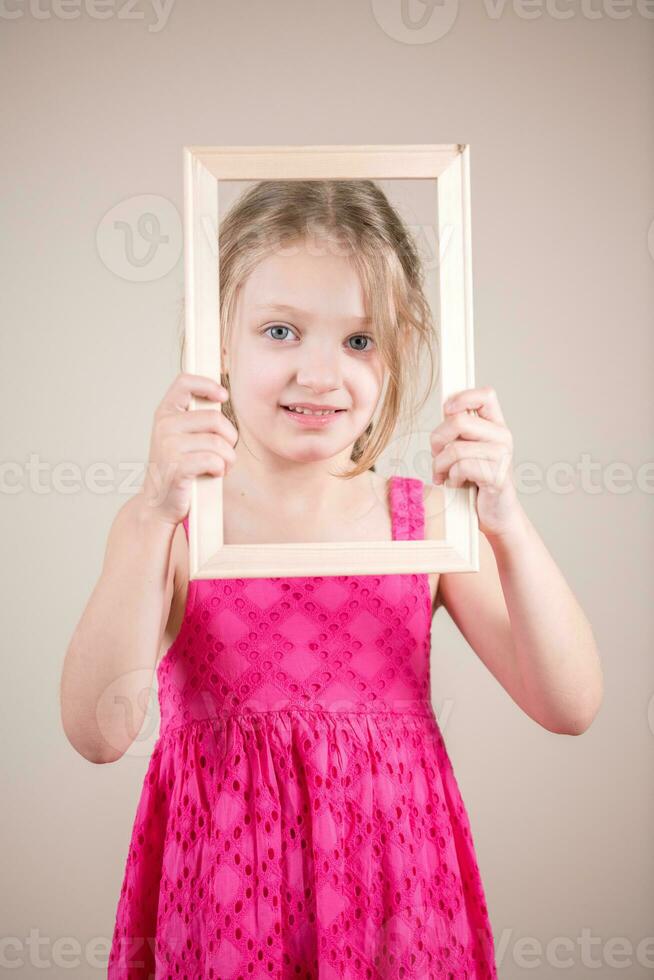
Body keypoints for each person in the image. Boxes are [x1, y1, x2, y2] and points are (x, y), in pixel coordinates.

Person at [60, 179, 603, 979]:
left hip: (396, 889)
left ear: (403, 346)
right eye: (281, 331)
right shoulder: (174, 528)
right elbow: (97, 733)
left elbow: (570, 704)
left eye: (359, 340)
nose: (321, 373)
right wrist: (148, 512)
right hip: (227, 896)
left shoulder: (423, 523)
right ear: (216, 345)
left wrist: (507, 521)